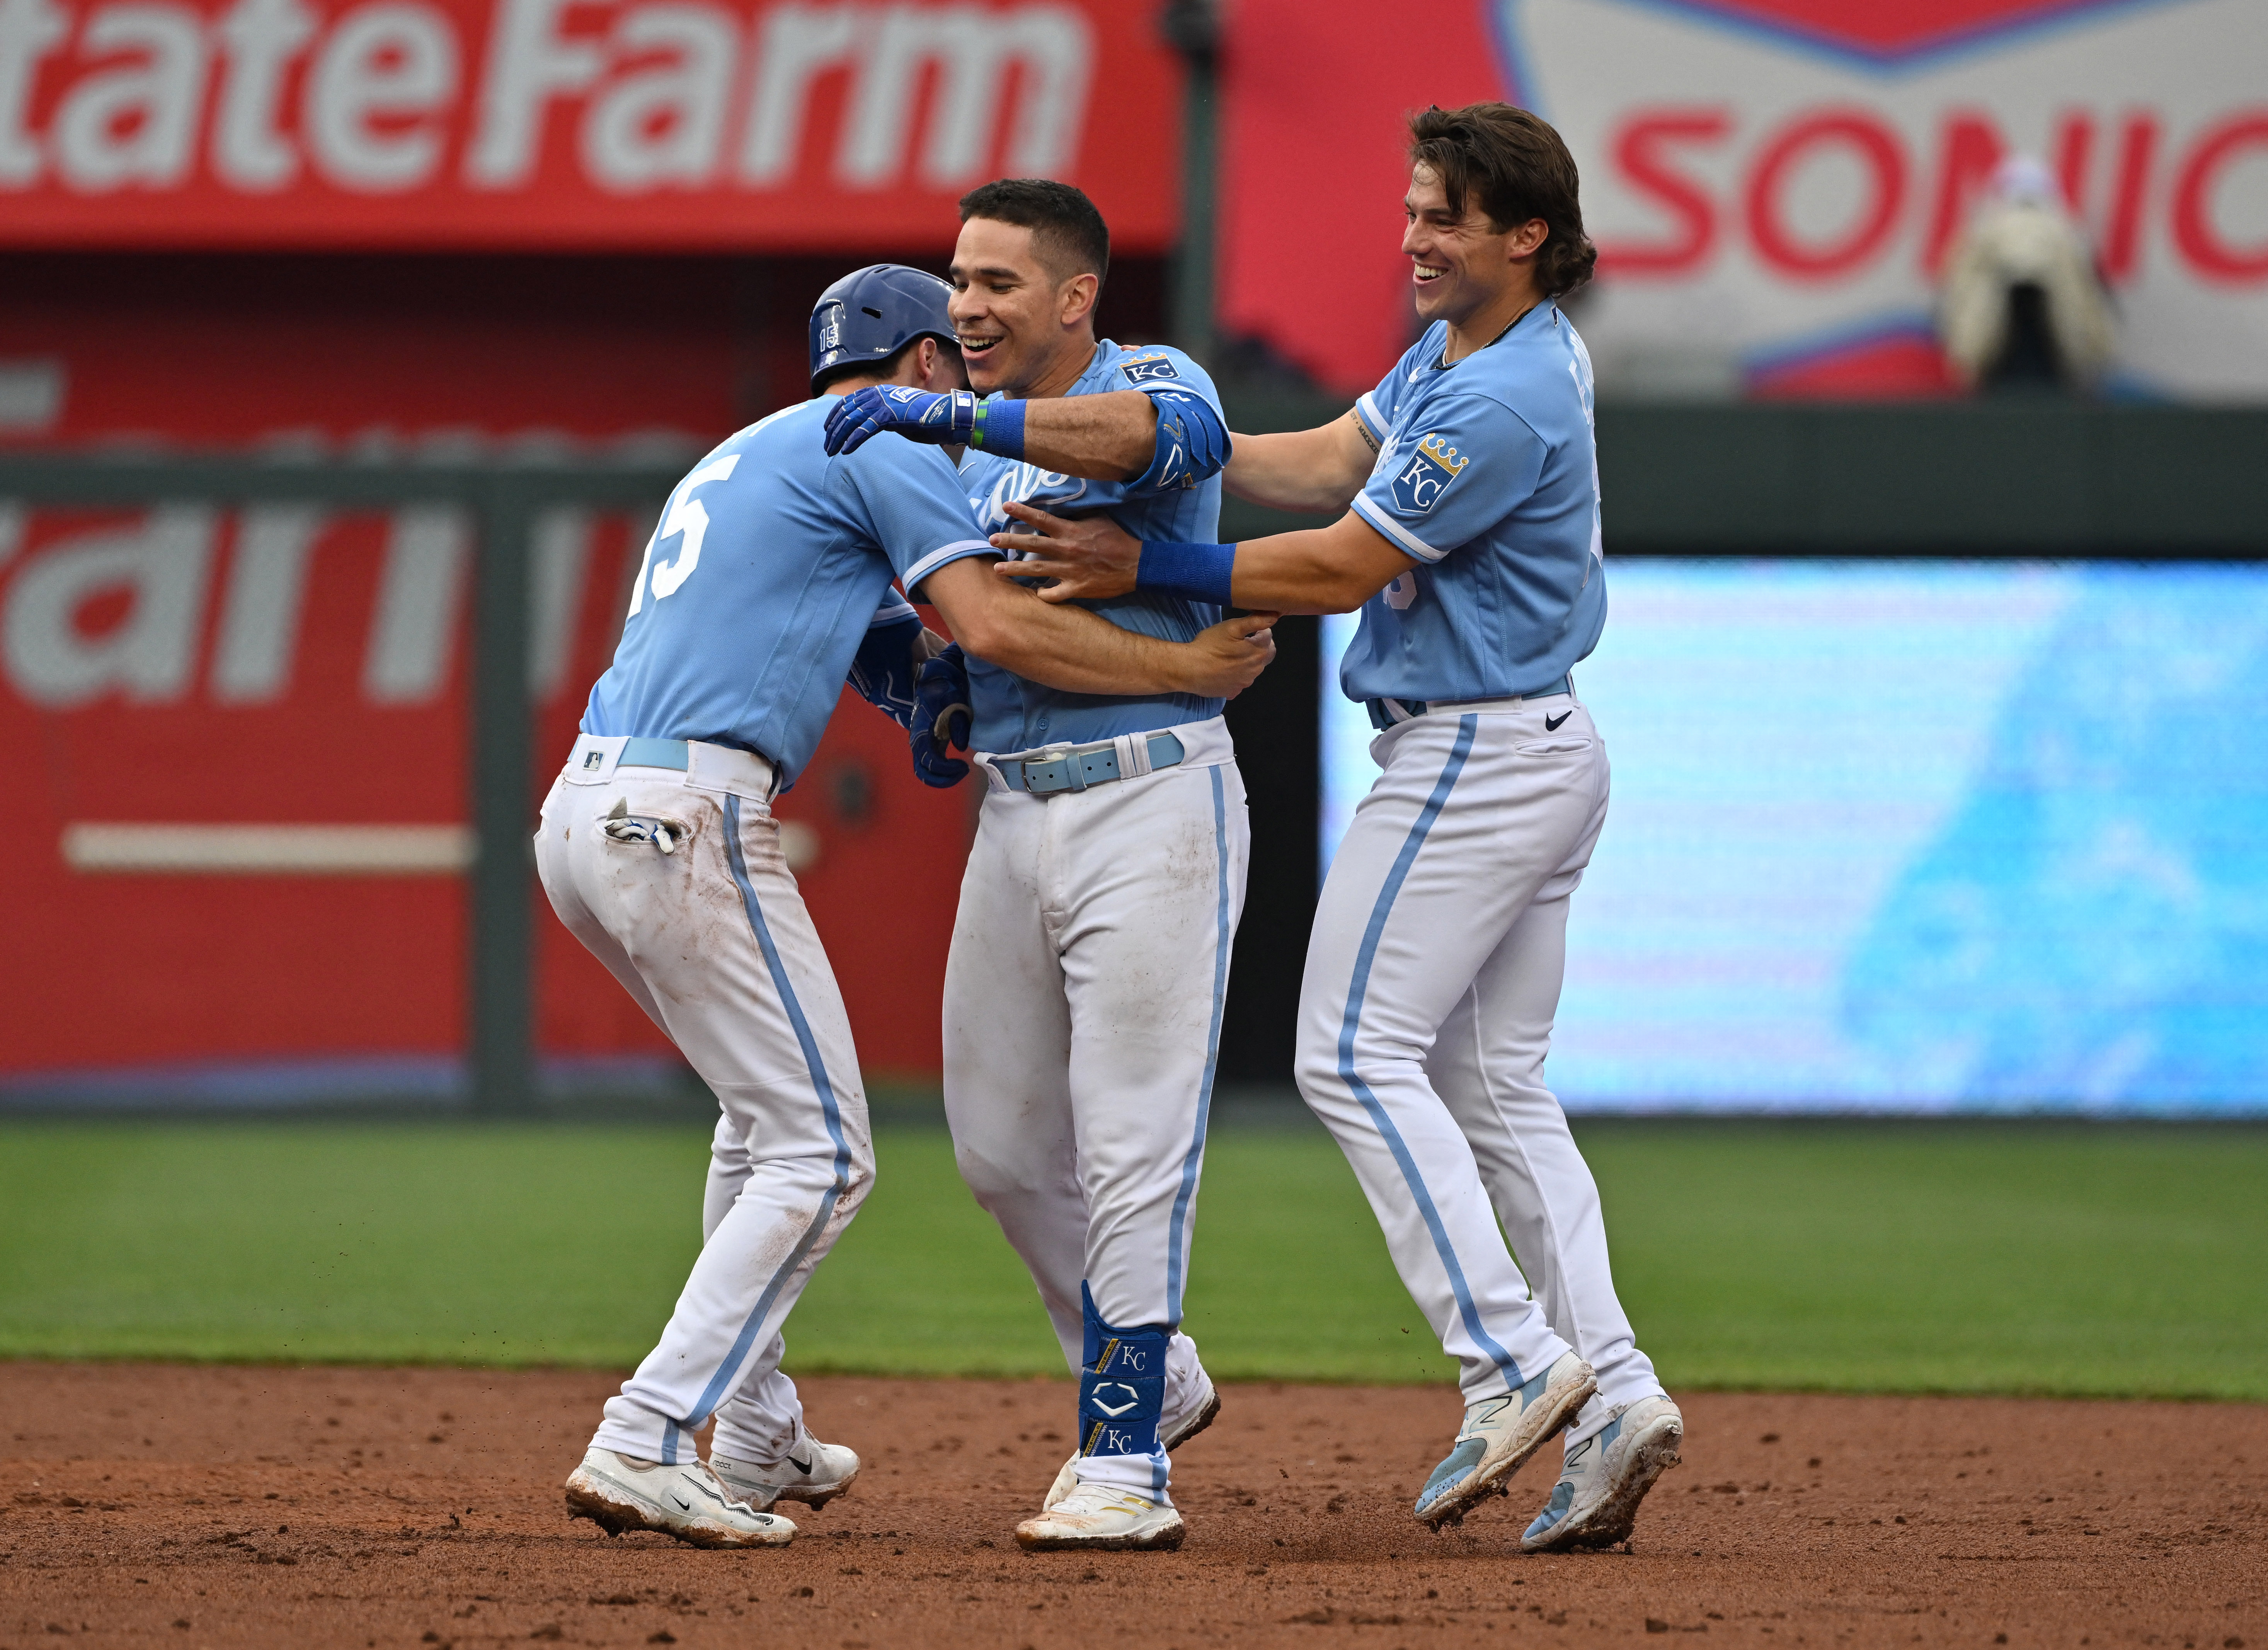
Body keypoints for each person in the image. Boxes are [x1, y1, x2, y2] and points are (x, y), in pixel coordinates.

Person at [986, 105, 1685, 1551]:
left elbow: (1343, 561)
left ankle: (1507, 1361)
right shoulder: (1457, 349)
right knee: (1499, 1094)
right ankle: (1613, 1391)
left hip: (1473, 751)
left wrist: (1146, 555)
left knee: (1347, 1053)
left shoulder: (1507, 392)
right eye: (1412, 206)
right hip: (1537, 743)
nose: (1415, 236)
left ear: (1525, 235)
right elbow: (1317, 464)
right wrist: (1180, 437)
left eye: (1444, 215)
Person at [538, 265, 1274, 1551]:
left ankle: (757, 1430)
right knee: (821, 1151)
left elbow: (880, 639)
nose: (971, 376)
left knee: (758, 1124)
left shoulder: (753, 445)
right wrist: (1183, 663)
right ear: (926, 363)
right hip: (687, 811)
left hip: (585, 810)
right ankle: (645, 1430)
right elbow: (984, 625)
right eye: (961, 341)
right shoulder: (884, 438)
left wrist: (923, 694)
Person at [821, 179, 1252, 1553]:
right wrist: (927, 694)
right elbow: (933, 637)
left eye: (999, 282)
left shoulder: (1147, 378)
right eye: (959, 280)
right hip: (1014, 812)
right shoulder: (960, 468)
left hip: (1152, 799)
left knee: (1129, 1138)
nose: (966, 306)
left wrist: (950, 411)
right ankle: (1157, 1369)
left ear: (1075, 296)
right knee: (1000, 1148)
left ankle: (1123, 1453)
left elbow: (1157, 440)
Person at [1938, 154, 2114, 394]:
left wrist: (1968, 357)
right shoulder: (2071, 236)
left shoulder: (1981, 235)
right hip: (2059, 375)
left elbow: (1955, 299)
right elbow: (2094, 306)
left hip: (1997, 373)